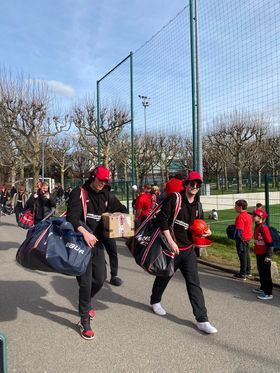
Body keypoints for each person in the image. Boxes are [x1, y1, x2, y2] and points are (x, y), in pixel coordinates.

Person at [150, 171, 217, 334]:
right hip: (171, 248)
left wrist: (206, 231)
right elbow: (162, 220)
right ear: (186, 184)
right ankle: (155, 301)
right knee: (164, 276)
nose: (195, 186)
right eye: (192, 183)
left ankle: (202, 319)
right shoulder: (175, 198)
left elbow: (198, 225)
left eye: (198, 184)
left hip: (188, 251)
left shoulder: (198, 205)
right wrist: (171, 242)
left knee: (194, 283)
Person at [66, 165, 128, 340]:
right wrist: (85, 232)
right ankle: (84, 319)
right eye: (100, 179)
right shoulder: (79, 192)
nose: (102, 183)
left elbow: (123, 210)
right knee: (85, 283)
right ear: (93, 176)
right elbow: (72, 217)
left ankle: (85, 302)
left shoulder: (107, 196)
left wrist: (120, 220)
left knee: (100, 279)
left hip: (98, 245)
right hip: (80, 244)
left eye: (105, 181)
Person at [252, 208, 273, 300]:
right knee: (261, 272)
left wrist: (269, 256)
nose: (253, 217)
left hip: (265, 255)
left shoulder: (264, 228)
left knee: (266, 274)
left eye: (255, 216)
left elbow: (270, 243)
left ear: (260, 217)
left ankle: (268, 293)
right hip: (259, 253)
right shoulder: (257, 226)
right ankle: (263, 288)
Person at [233, 200, 253, 280]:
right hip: (247, 237)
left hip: (242, 239)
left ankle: (243, 273)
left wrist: (236, 237)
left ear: (240, 207)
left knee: (242, 256)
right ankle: (248, 271)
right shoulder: (248, 215)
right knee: (246, 254)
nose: (234, 207)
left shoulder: (240, 216)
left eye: (236, 206)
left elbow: (239, 230)